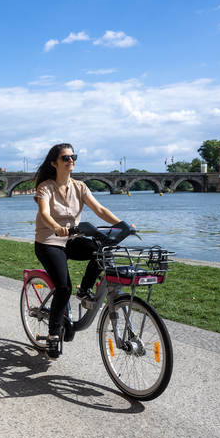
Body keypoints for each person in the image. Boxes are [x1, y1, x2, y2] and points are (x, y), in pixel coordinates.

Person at [32, 143, 130, 360]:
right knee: (63, 287)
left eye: (73, 156)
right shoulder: (45, 188)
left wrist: (124, 225)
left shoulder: (80, 187)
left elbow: (100, 210)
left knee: (101, 250)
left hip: (72, 239)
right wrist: (56, 227)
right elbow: (44, 212)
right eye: (65, 158)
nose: (71, 160)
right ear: (54, 163)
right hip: (49, 241)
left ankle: (85, 289)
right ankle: (53, 335)